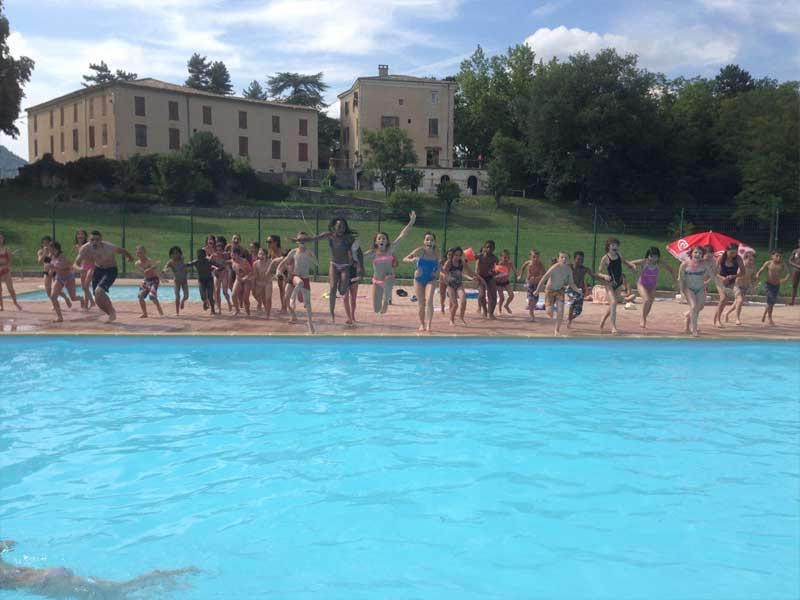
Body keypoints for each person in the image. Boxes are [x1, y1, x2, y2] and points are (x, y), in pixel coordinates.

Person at [0, 538, 198, 599]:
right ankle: (165, 577)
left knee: (118, 593)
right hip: (47, 573)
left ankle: (161, 579)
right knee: (120, 589)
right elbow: (7, 543)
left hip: (47, 582)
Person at [305, 218, 358, 325]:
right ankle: (332, 313)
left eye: (343, 227)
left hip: (345, 266)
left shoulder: (348, 238)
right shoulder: (330, 235)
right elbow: (313, 239)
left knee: (343, 291)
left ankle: (341, 287)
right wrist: (300, 239)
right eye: (339, 227)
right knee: (332, 288)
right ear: (334, 227)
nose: (341, 229)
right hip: (334, 264)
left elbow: (357, 250)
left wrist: (357, 261)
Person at [363, 212, 415, 314]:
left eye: (384, 238)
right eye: (379, 238)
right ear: (376, 242)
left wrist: (411, 222)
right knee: (376, 309)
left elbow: (402, 235)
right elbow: (360, 257)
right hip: (376, 281)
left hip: (389, 278)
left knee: (388, 279)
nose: (382, 240)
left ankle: (386, 299)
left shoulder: (390, 250)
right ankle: (384, 300)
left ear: (387, 241)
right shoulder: (373, 253)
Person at [76, 230, 133, 323]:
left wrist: (129, 257)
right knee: (97, 298)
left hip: (110, 270)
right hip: (98, 270)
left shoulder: (108, 247)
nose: (94, 242)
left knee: (99, 291)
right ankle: (110, 314)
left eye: (97, 240)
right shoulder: (85, 248)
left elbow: (122, 250)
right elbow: (76, 263)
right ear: (89, 240)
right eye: (92, 240)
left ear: (101, 240)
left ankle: (112, 312)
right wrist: (80, 269)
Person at [274, 232, 319, 333]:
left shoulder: (308, 252)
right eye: (300, 240)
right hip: (296, 277)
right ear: (297, 242)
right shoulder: (294, 252)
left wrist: (313, 256)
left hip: (306, 278)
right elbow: (284, 261)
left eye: (304, 240)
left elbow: (317, 264)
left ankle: (310, 324)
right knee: (299, 284)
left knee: (307, 304)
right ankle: (292, 300)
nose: (302, 242)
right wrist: (278, 270)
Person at [535, 251, 583, 336]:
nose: (564, 259)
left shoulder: (568, 270)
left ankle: (557, 329)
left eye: (566, 258)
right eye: (562, 257)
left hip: (560, 291)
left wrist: (577, 290)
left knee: (561, 311)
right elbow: (544, 278)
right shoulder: (555, 267)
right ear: (558, 259)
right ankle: (549, 307)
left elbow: (571, 283)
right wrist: (537, 290)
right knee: (550, 313)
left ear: (569, 260)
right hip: (549, 290)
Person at [596, 237, 637, 335]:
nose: (615, 247)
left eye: (617, 245)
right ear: (608, 247)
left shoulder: (619, 255)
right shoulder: (605, 258)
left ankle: (602, 320)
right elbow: (598, 272)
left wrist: (632, 266)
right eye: (613, 245)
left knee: (613, 304)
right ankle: (613, 327)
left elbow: (626, 263)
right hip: (609, 284)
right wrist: (604, 275)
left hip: (618, 283)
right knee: (613, 302)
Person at [630, 247, 677, 329]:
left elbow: (671, 270)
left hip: (652, 286)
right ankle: (643, 318)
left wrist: (674, 281)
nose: (653, 258)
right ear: (648, 256)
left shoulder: (659, 263)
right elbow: (629, 263)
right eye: (651, 256)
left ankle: (645, 316)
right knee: (646, 300)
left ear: (658, 257)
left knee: (650, 303)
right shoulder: (644, 262)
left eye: (655, 256)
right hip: (642, 284)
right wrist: (633, 267)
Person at [403, 231, 440, 332]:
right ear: (424, 241)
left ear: (434, 242)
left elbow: (438, 265)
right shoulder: (420, 251)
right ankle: (422, 324)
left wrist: (437, 272)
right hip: (419, 279)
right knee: (421, 303)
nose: (429, 241)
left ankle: (429, 325)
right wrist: (412, 260)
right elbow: (405, 259)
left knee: (429, 301)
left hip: (431, 279)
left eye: (431, 240)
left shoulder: (436, 252)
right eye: (427, 239)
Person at [678, 246, 713, 337]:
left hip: (700, 289)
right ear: (691, 253)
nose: (698, 254)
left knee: (699, 307)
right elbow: (681, 279)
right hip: (689, 289)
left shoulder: (705, 264)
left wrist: (723, 288)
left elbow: (713, 276)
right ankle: (694, 329)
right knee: (693, 307)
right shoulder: (684, 265)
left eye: (700, 253)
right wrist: (681, 292)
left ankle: (688, 315)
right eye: (696, 252)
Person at [442, 246, 482, 326]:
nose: (457, 257)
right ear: (453, 255)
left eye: (459, 255)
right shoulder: (449, 262)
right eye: (456, 255)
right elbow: (443, 272)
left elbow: (469, 271)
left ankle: (461, 317)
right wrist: (447, 278)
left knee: (464, 300)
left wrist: (474, 277)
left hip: (459, 284)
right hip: (451, 285)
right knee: (455, 304)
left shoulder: (461, 262)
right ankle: (451, 320)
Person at [47, 241, 84, 322]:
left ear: (55, 249)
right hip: (59, 278)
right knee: (53, 296)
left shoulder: (63, 257)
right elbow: (51, 268)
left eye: (50, 249)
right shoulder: (51, 256)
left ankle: (81, 298)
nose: (49, 251)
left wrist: (80, 270)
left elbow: (70, 266)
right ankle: (60, 317)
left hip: (69, 278)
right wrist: (50, 271)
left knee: (73, 298)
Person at [713, 243, 744, 328]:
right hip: (720, 281)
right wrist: (722, 278)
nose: (733, 255)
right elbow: (714, 272)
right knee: (723, 299)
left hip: (731, 282)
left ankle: (715, 318)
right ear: (727, 251)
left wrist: (734, 276)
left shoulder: (738, 259)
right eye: (731, 253)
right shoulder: (721, 258)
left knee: (724, 302)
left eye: (735, 253)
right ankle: (718, 320)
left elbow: (743, 272)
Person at [756, 250, 790, 326]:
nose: (779, 257)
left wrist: (785, 279)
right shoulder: (768, 263)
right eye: (777, 256)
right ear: (772, 256)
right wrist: (758, 274)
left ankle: (765, 314)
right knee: (770, 300)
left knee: (771, 302)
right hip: (768, 285)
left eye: (780, 256)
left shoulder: (782, 264)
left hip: (776, 285)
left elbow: (788, 273)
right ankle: (770, 318)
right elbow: (761, 270)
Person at [724, 250, 756, 325]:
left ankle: (727, 313)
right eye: (750, 260)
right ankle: (737, 319)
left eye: (752, 260)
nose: (751, 262)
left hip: (745, 287)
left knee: (736, 303)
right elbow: (737, 276)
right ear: (745, 259)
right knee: (740, 301)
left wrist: (753, 286)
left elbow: (752, 278)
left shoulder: (753, 267)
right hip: (737, 286)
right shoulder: (742, 266)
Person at [38, 236, 70, 310]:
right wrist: (44, 253)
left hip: (55, 272)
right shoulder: (40, 251)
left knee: (55, 289)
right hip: (46, 272)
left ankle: (65, 298)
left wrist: (50, 253)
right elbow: (40, 262)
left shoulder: (54, 252)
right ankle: (55, 303)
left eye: (47, 243)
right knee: (48, 290)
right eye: (44, 243)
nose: (45, 245)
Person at [134, 246, 164, 318]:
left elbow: (155, 271)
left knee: (152, 296)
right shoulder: (137, 263)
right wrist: (152, 267)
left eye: (141, 252)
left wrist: (161, 278)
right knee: (140, 296)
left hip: (154, 280)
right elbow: (144, 273)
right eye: (138, 252)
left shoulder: (149, 261)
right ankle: (145, 313)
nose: (139, 254)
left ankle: (159, 308)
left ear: (145, 253)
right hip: (146, 280)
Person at [518, 249, 546, 322]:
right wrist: (520, 275)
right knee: (531, 299)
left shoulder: (540, 264)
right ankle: (531, 315)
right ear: (530, 257)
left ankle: (532, 305)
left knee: (535, 299)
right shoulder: (528, 263)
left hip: (537, 284)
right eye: (534, 257)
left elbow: (544, 273)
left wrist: (538, 277)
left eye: (537, 257)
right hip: (529, 283)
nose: (535, 259)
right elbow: (523, 267)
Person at [187, 248, 216, 315]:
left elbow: (217, 265)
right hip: (201, 281)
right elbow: (188, 264)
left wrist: (219, 268)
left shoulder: (209, 261)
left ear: (204, 255)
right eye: (199, 256)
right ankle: (205, 302)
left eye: (201, 255)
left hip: (209, 280)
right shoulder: (196, 262)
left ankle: (213, 310)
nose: (200, 257)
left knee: (210, 295)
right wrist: (181, 264)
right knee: (202, 296)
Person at [162, 246, 189, 316]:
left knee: (186, 296)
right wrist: (165, 270)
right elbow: (165, 268)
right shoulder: (170, 262)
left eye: (177, 253)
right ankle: (177, 312)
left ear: (180, 254)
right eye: (173, 254)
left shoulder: (182, 260)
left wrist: (185, 270)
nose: (175, 255)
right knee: (177, 296)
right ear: (171, 255)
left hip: (184, 281)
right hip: (176, 281)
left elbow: (186, 268)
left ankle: (182, 301)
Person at [476, 240, 499, 319]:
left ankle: (491, 313)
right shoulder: (480, 256)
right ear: (484, 248)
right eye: (487, 247)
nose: (489, 249)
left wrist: (493, 272)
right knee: (481, 295)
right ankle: (485, 311)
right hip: (481, 277)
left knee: (493, 297)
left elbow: (496, 270)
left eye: (491, 247)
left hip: (489, 277)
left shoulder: (495, 258)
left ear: (494, 248)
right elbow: (469, 259)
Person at [252, 247, 277, 319]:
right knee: (259, 296)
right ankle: (260, 303)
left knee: (268, 298)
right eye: (259, 254)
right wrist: (254, 285)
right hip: (259, 282)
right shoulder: (255, 264)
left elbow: (275, 269)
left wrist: (274, 275)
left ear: (266, 255)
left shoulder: (270, 262)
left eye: (263, 254)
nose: (261, 256)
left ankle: (268, 314)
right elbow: (255, 276)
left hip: (268, 282)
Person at [266, 235, 289, 314]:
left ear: (276, 242)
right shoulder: (270, 251)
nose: (268, 244)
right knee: (281, 290)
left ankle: (285, 308)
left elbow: (287, 262)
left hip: (286, 273)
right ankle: (283, 307)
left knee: (284, 290)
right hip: (279, 273)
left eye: (269, 242)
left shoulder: (282, 251)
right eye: (267, 242)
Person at [0, 231, 22, 311]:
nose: (0, 239)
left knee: (10, 288)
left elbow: (10, 262)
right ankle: (1, 306)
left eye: (1, 238)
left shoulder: (6, 249)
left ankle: (15, 302)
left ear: (3, 239)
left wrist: (4, 267)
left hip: (5, 271)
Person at [210, 236, 232, 313]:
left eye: (220, 249)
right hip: (217, 273)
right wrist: (214, 268)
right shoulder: (213, 256)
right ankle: (219, 308)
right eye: (217, 249)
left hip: (224, 273)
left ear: (222, 249)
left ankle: (229, 302)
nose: (219, 250)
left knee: (225, 291)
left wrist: (227, 262)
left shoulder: (225, 255)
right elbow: (209, 264)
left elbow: (232, 258)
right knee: (216, 290)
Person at [230, 246, 254, 316]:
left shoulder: (244, 261)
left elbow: (251, 272)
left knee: (245, 298)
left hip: (247, 280)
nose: (233, 256)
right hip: (238, 279)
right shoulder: (232, 261)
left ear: (239, 255)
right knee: (233, 295)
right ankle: (237, 310)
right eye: (232, 254)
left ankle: (247, 311)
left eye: (234, 255)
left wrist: (246, 277)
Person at [74, 229, 94, 309]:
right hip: (83, 267)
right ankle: (87, 304)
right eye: (78, 234)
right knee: (84, 288)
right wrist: (78, 267)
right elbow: (79, 258)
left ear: (85, 236)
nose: (80, 236)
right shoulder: (77, 246)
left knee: (86, 286)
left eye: (82, 234)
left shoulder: (88, 244)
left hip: (91, 266)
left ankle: (92, 302)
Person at [348, 239, 365, 321]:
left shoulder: (355, 263)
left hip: (353, 280)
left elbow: (359, 274)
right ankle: (349, 316)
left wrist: (357, 278)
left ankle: (352, 315)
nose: (349, 255)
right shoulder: (343, 262)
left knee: (353, 298)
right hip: (345, 280)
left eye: (351, 254)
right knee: (345, 298)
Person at [495, 249, 516, 314]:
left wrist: (518, 275)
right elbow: (495, 274)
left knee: (511, 295)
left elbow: (515, 270)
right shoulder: (499, 264)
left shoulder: (510, 263)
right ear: (501, 257)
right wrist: (500, 275)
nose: (505, 259)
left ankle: (506, 305)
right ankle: (499, 309)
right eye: (504, 257)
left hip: (506, 282)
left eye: (507, 257)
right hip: (499, 283)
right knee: (502, 298)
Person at [438, 249, 454, 314]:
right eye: (449, 254)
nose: (450, 256)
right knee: (442, 295)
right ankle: (442, 306)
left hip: (450, 280)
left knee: (451, 295)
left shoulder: (454, 262)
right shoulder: (442, 261)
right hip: (442, 279)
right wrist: (444, 275)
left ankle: (451, 308)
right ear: (446, 255)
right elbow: (440, 270)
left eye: (451, 255)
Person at [789, 238, 800, 306]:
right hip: (796, 270)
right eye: (799, 242)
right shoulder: (795, 251)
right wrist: (797, 266)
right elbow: (790, 261)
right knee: (794, 286)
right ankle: (792, 301)